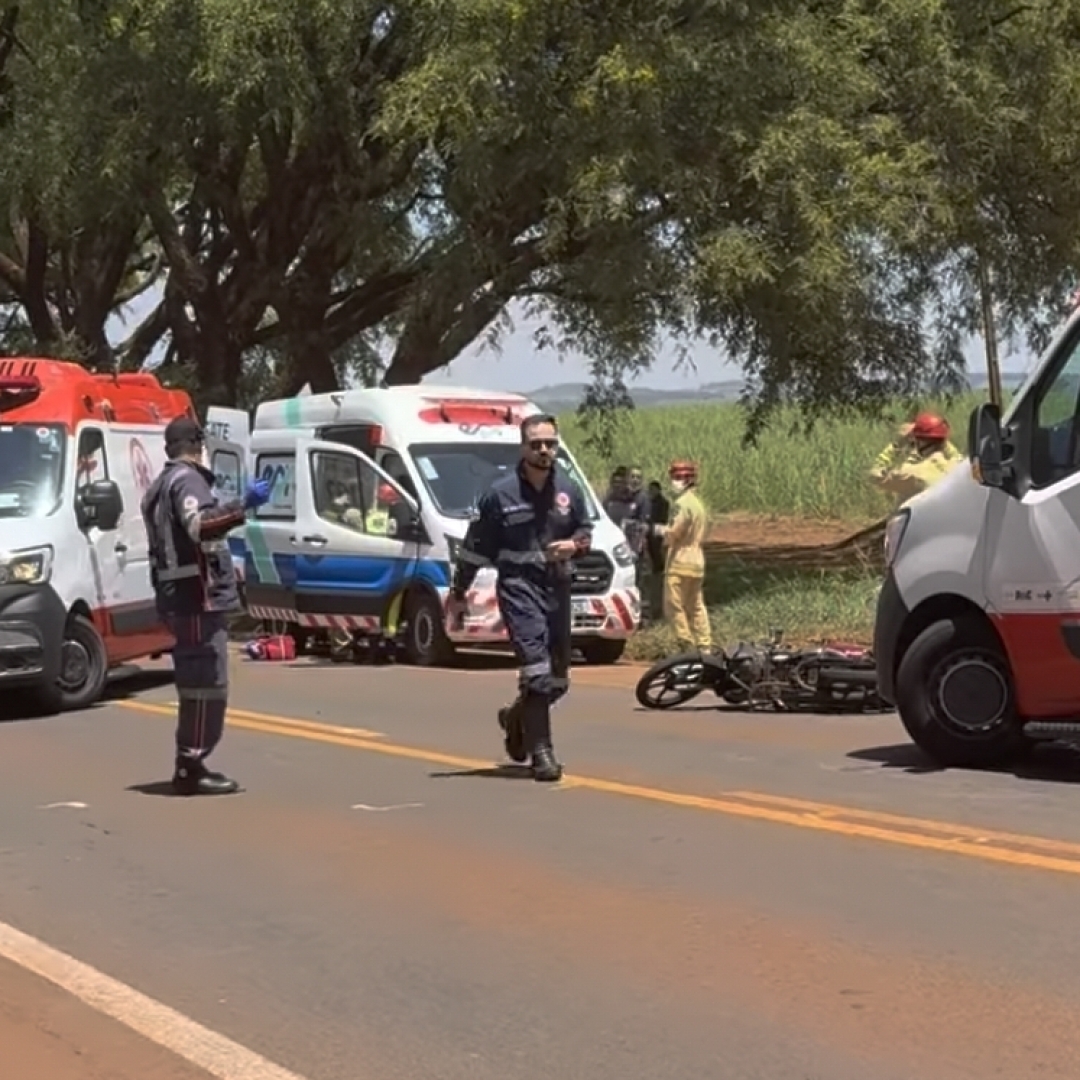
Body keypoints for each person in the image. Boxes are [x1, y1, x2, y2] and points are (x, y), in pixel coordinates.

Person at [447, 414, 592, 781]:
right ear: (523, 447)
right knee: (536, 671)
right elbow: (474, 549)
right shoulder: (500, 494)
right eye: (536, 444)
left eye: (550, 443)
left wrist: (574, 545)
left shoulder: (570, 490)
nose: (544, 450)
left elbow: (585, 531)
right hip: (518, 589)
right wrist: (458, 593)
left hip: (557, 588)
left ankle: (515, 716)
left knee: (558, 680)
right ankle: (542, 753)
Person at [141, 416, 271, 795]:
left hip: (182, 597)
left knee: (199, 680)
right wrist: (242, 505)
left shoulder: (159, 486)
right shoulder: (187, 480)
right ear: (197, 445)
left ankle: (191, 760)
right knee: (204, 683)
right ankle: (191, 763)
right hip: (196, 597)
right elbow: (199, 526)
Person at [655, 459, 711, 653]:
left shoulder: (681, 504)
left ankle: (685, 643)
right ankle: (705, 645)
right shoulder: (698, 505)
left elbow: (674, 533)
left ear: (688, 480)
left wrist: (658, 531)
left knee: (673, 606)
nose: (675, 482)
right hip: (697, 561)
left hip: (679, 561)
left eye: (678, 478)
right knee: (696, 606)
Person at [869, 412, 963, 505]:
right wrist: (935, 433)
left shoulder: (912, 473)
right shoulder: (956, 466)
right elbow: (954, 453)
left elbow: (875, 475)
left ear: (918, 441)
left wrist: (898, 443)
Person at [644, 480, 670, 622]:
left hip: (657, 530)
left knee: (656, 549)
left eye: (653, 489)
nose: (651, 492)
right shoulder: (648, 502)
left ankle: (658, 567)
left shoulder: (663, 503)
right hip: (650, 530)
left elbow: (662, 519)